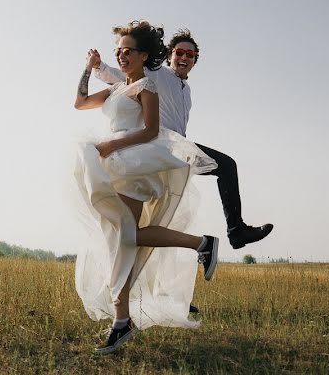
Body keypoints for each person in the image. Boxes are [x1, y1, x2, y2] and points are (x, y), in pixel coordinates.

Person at [72, 20, 220, 355]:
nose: (122, 57)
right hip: (115, 166)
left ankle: (121, 321)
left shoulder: (147, 87)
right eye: (118, 52)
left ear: (144, 55)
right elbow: (80, 103)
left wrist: (112, 146)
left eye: (128, 52)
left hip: (134, 167)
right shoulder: (114, 89)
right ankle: (200, 245)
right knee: (124, 239)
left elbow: (152, 131)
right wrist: (87, 68)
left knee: (122, 241)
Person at [89, 29, 273, 250]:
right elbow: (127, 74)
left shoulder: (187, 90)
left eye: (190, 55)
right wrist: (99, 67)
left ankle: (230, 234)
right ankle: (236, 232)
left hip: (176, 149)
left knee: (224, 168)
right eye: (179, 52)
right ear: (170, 55)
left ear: (195, 61)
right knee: (226, 165)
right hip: (162, 146)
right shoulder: (158, 73)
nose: (184, 58)